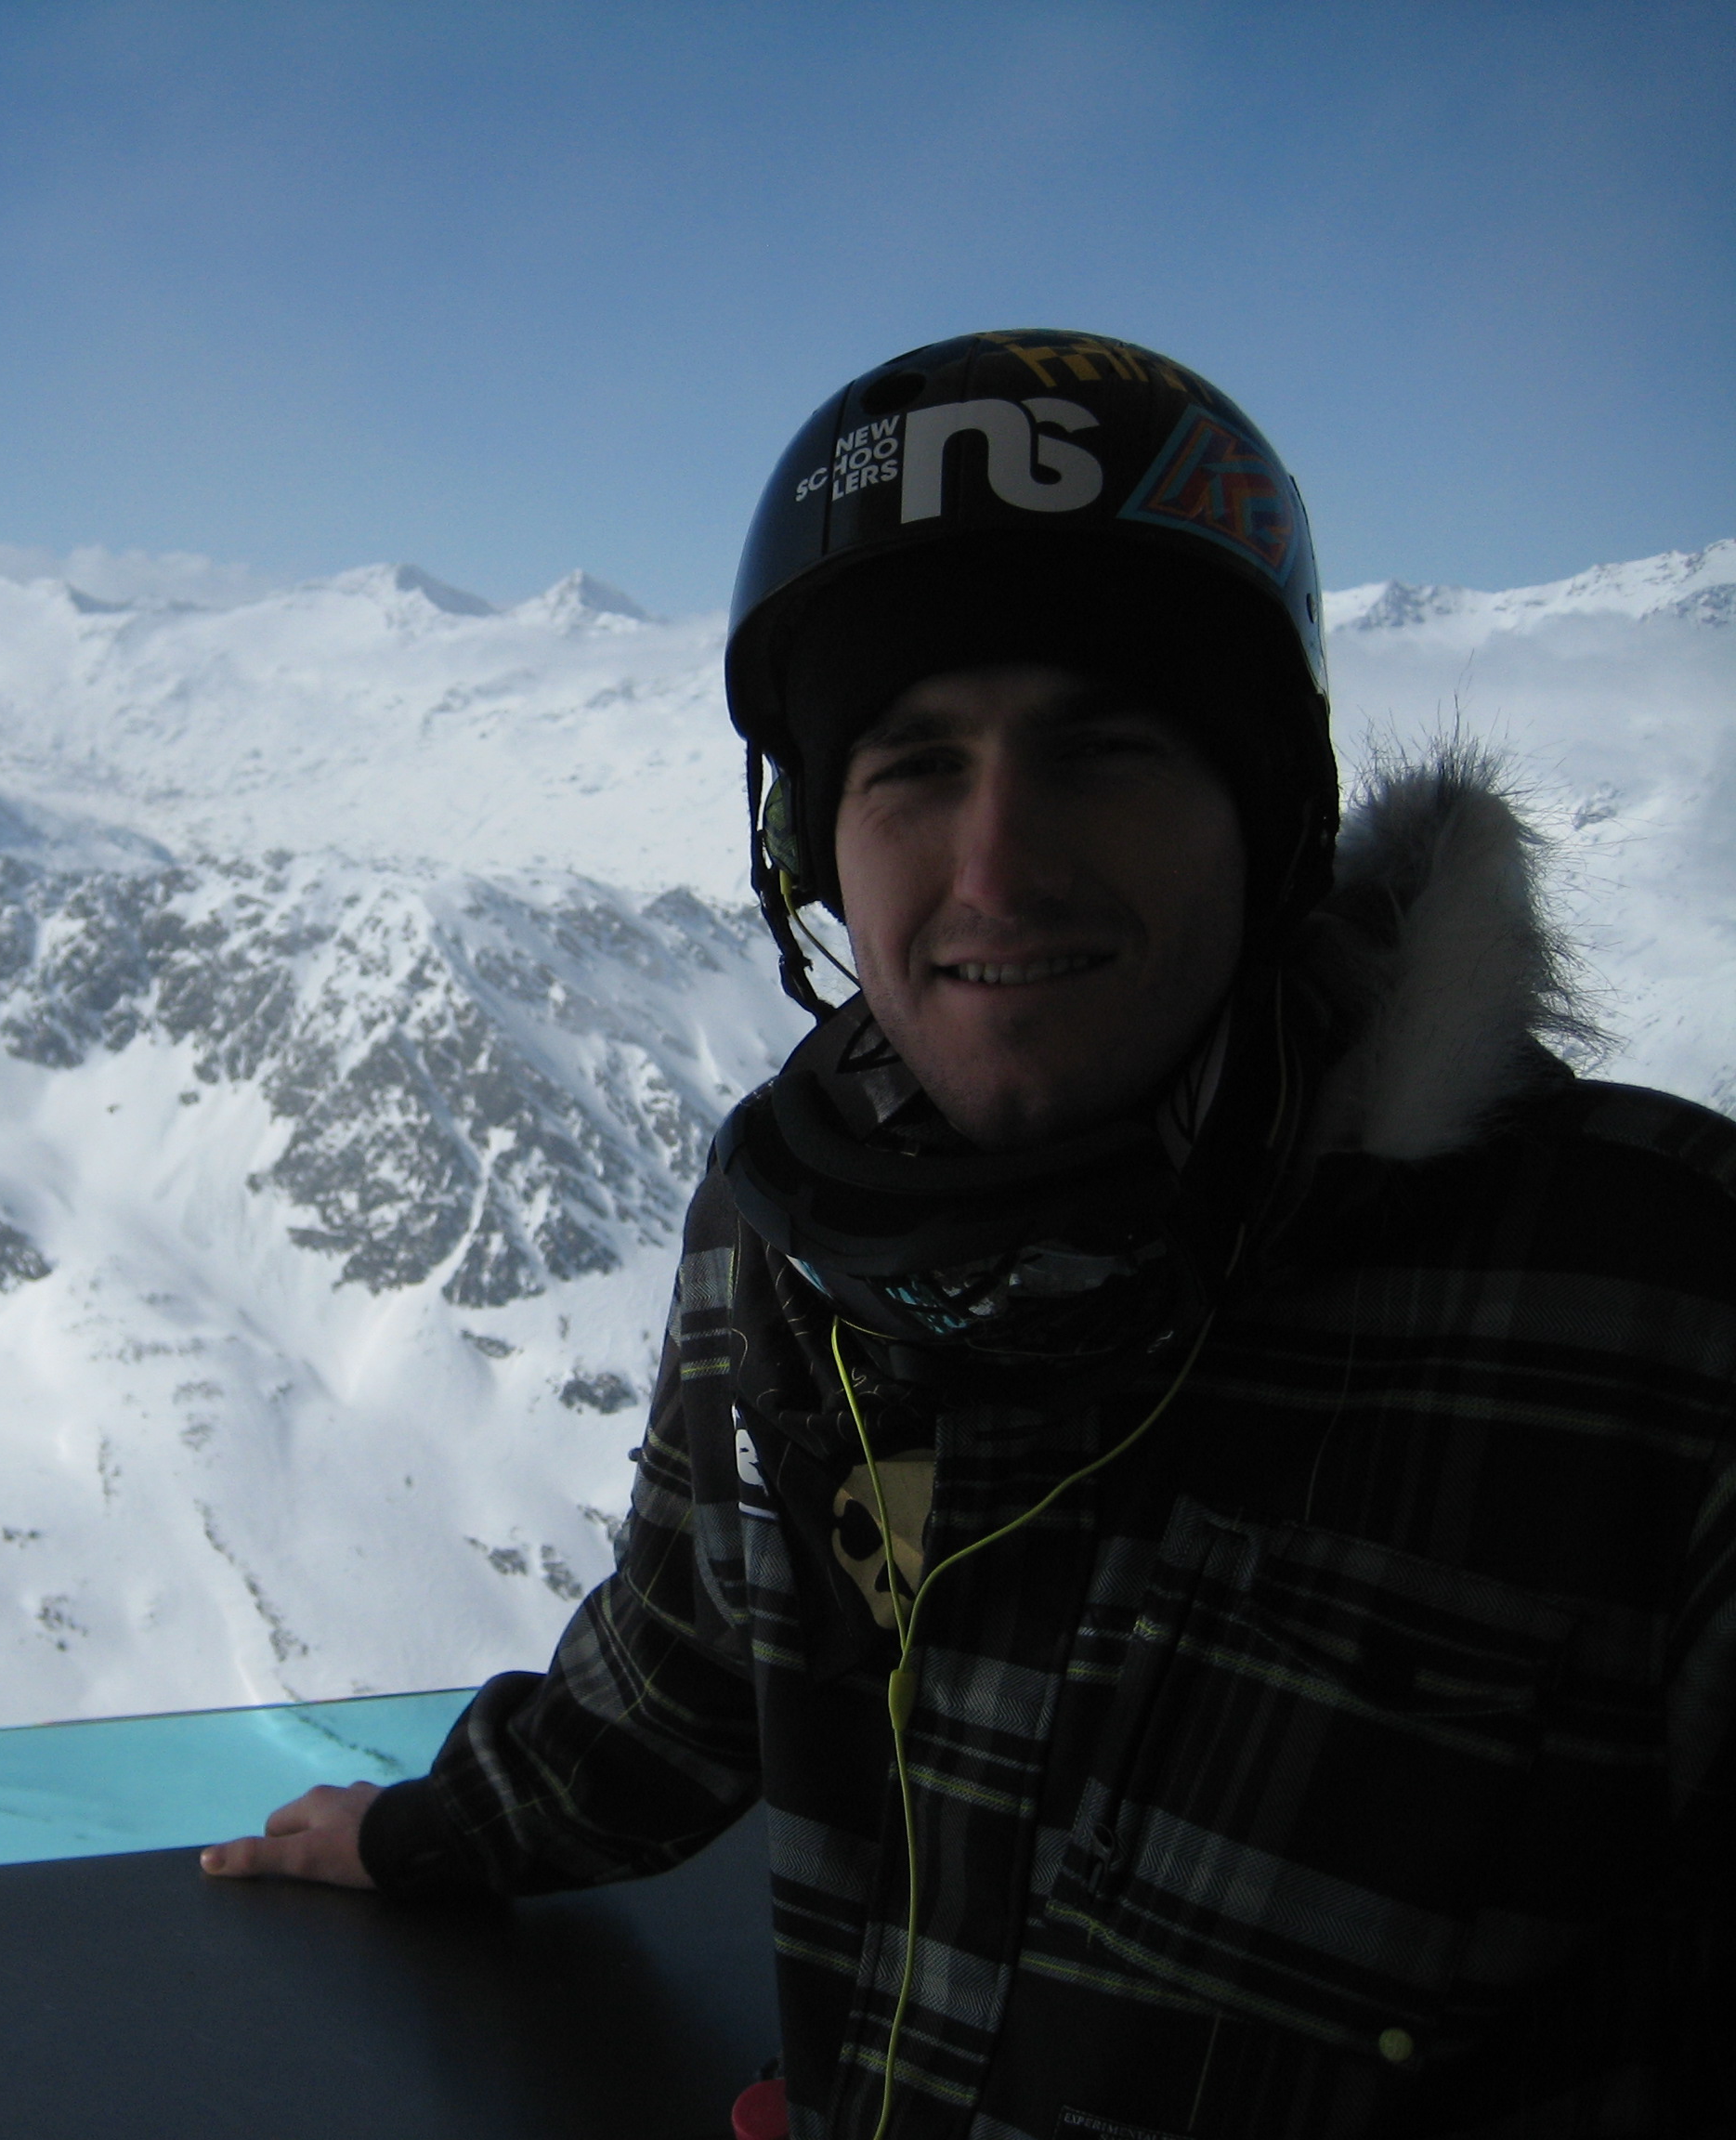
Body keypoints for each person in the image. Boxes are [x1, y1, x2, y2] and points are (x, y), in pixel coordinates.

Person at [202, 330, 1736, 2138]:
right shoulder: (793, 1235)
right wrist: (429, 1832)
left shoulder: (1654, 1300)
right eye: (916, 766)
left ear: (1274, 822)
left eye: (1106, 750)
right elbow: (689, 1666)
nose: (999, 862)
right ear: (811, 855)